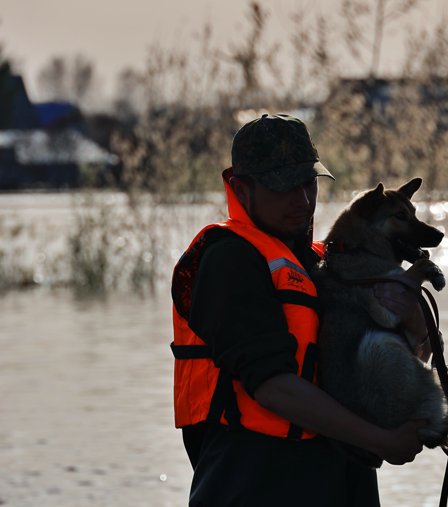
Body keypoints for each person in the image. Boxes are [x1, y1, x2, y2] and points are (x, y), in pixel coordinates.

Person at [170, 113, 429, 506]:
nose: (303, 200)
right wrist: (381, 440)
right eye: (283, 186)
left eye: (309, 183)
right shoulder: (228, 260)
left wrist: (414, 320)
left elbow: (405, 356)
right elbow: (271, 385)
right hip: (251, 481)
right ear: (241, 188)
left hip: (341, 479)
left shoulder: (329, 264)